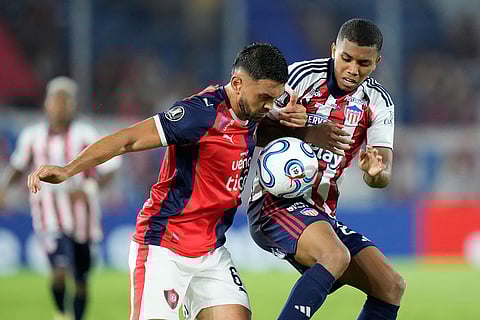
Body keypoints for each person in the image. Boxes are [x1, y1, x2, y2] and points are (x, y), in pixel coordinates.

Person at [27, 43, 306, 320]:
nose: (269, 106)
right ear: (237, 84)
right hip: (164, 246)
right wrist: (67, 169)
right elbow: (128, 139)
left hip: (211, 251)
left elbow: (263, 127)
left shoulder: (252, 112)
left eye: (274, 99)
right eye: (265, 98)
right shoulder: (198, 115)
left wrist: (305, 125)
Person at [248, 19, 406, 319]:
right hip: (274, 205)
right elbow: (251, 132)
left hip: (322, 213)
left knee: (391, 285)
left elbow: (383, 175)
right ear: (334, 50)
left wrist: (375, 173)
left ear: (377, 62)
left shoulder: (379, 102)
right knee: (335, 255)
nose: (353, 69)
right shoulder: (300, 77)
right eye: (346, 58)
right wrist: (298, 129)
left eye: (364, 63)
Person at [0, 76, 121, 320]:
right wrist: (3, 188)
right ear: (47, 104)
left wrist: (89, 189)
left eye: (65, 101)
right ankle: (60, 313)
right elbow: (18, 166)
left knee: (81, 279)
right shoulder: (32, 136)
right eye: (56, 101)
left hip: (83, 219)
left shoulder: (86, 134)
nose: (60, 106)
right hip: (48, 216)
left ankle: (75, 317)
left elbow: (110, 169)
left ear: (72, 105)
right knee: (59, 268)